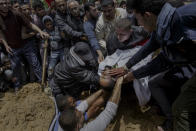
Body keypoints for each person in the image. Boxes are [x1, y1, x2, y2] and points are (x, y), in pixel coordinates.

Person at [109, 0, 196, 130]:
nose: (138, 24)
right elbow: (148, 48)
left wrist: (133, 75)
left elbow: (161, 62)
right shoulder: (162, 25)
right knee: (155, 82)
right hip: (186, 64)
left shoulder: (183, 17)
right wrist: (126, 67)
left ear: (148, 15)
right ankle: (171, 119)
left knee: (180, 108)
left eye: (138, 19)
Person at [0, 0, 49, 90]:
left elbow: (30, 24)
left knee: (35, 63)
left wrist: (40, 31)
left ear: (9, 4)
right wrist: (6, 45)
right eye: (2, 4)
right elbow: (1, 32)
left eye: (6, 3)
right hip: (12, 47)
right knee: (15, 68)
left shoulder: (16, 14)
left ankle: (43, 83)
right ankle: (17, 88)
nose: (4, 5)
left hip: (26, 45)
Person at [50, 42, 115, 99]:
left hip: (67, 76)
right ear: (79, 56)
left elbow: (89, 59)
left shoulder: (76, 50)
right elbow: (88, 77)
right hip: (62, 83)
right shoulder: (73, 66)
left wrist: (97, 61)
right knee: (68, 102)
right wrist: (100, 79)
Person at [58, 77, 124, 131]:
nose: (82, 112)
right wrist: (119, 82)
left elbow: (85, 103)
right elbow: (109, 112)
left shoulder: (65, 123)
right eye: (81, 115)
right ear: (78, 127)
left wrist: (102, 90)